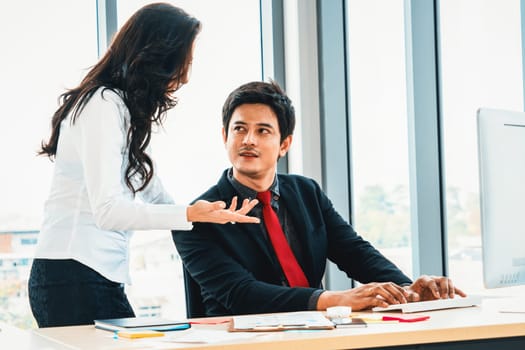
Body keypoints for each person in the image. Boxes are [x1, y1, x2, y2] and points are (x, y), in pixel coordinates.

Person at [28, 3, 259, 328]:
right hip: (71, 275)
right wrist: (189, 214)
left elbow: (155, 195)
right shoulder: (103, 106)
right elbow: (108, 210)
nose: (186, 77)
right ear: (158, 56)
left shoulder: (122, 110)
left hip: (88, 276)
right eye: (184, 62)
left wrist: (210, 215)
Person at [172, 80, 466, 317]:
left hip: (314, 333)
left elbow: (354, 251)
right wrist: (338, 299)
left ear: (284, 144)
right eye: (240, 129)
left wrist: (407, 289)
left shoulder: (305, 192)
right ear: (225, 136)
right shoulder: (197, 217)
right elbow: (242, 295)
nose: (249, 140)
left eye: (263, 131)